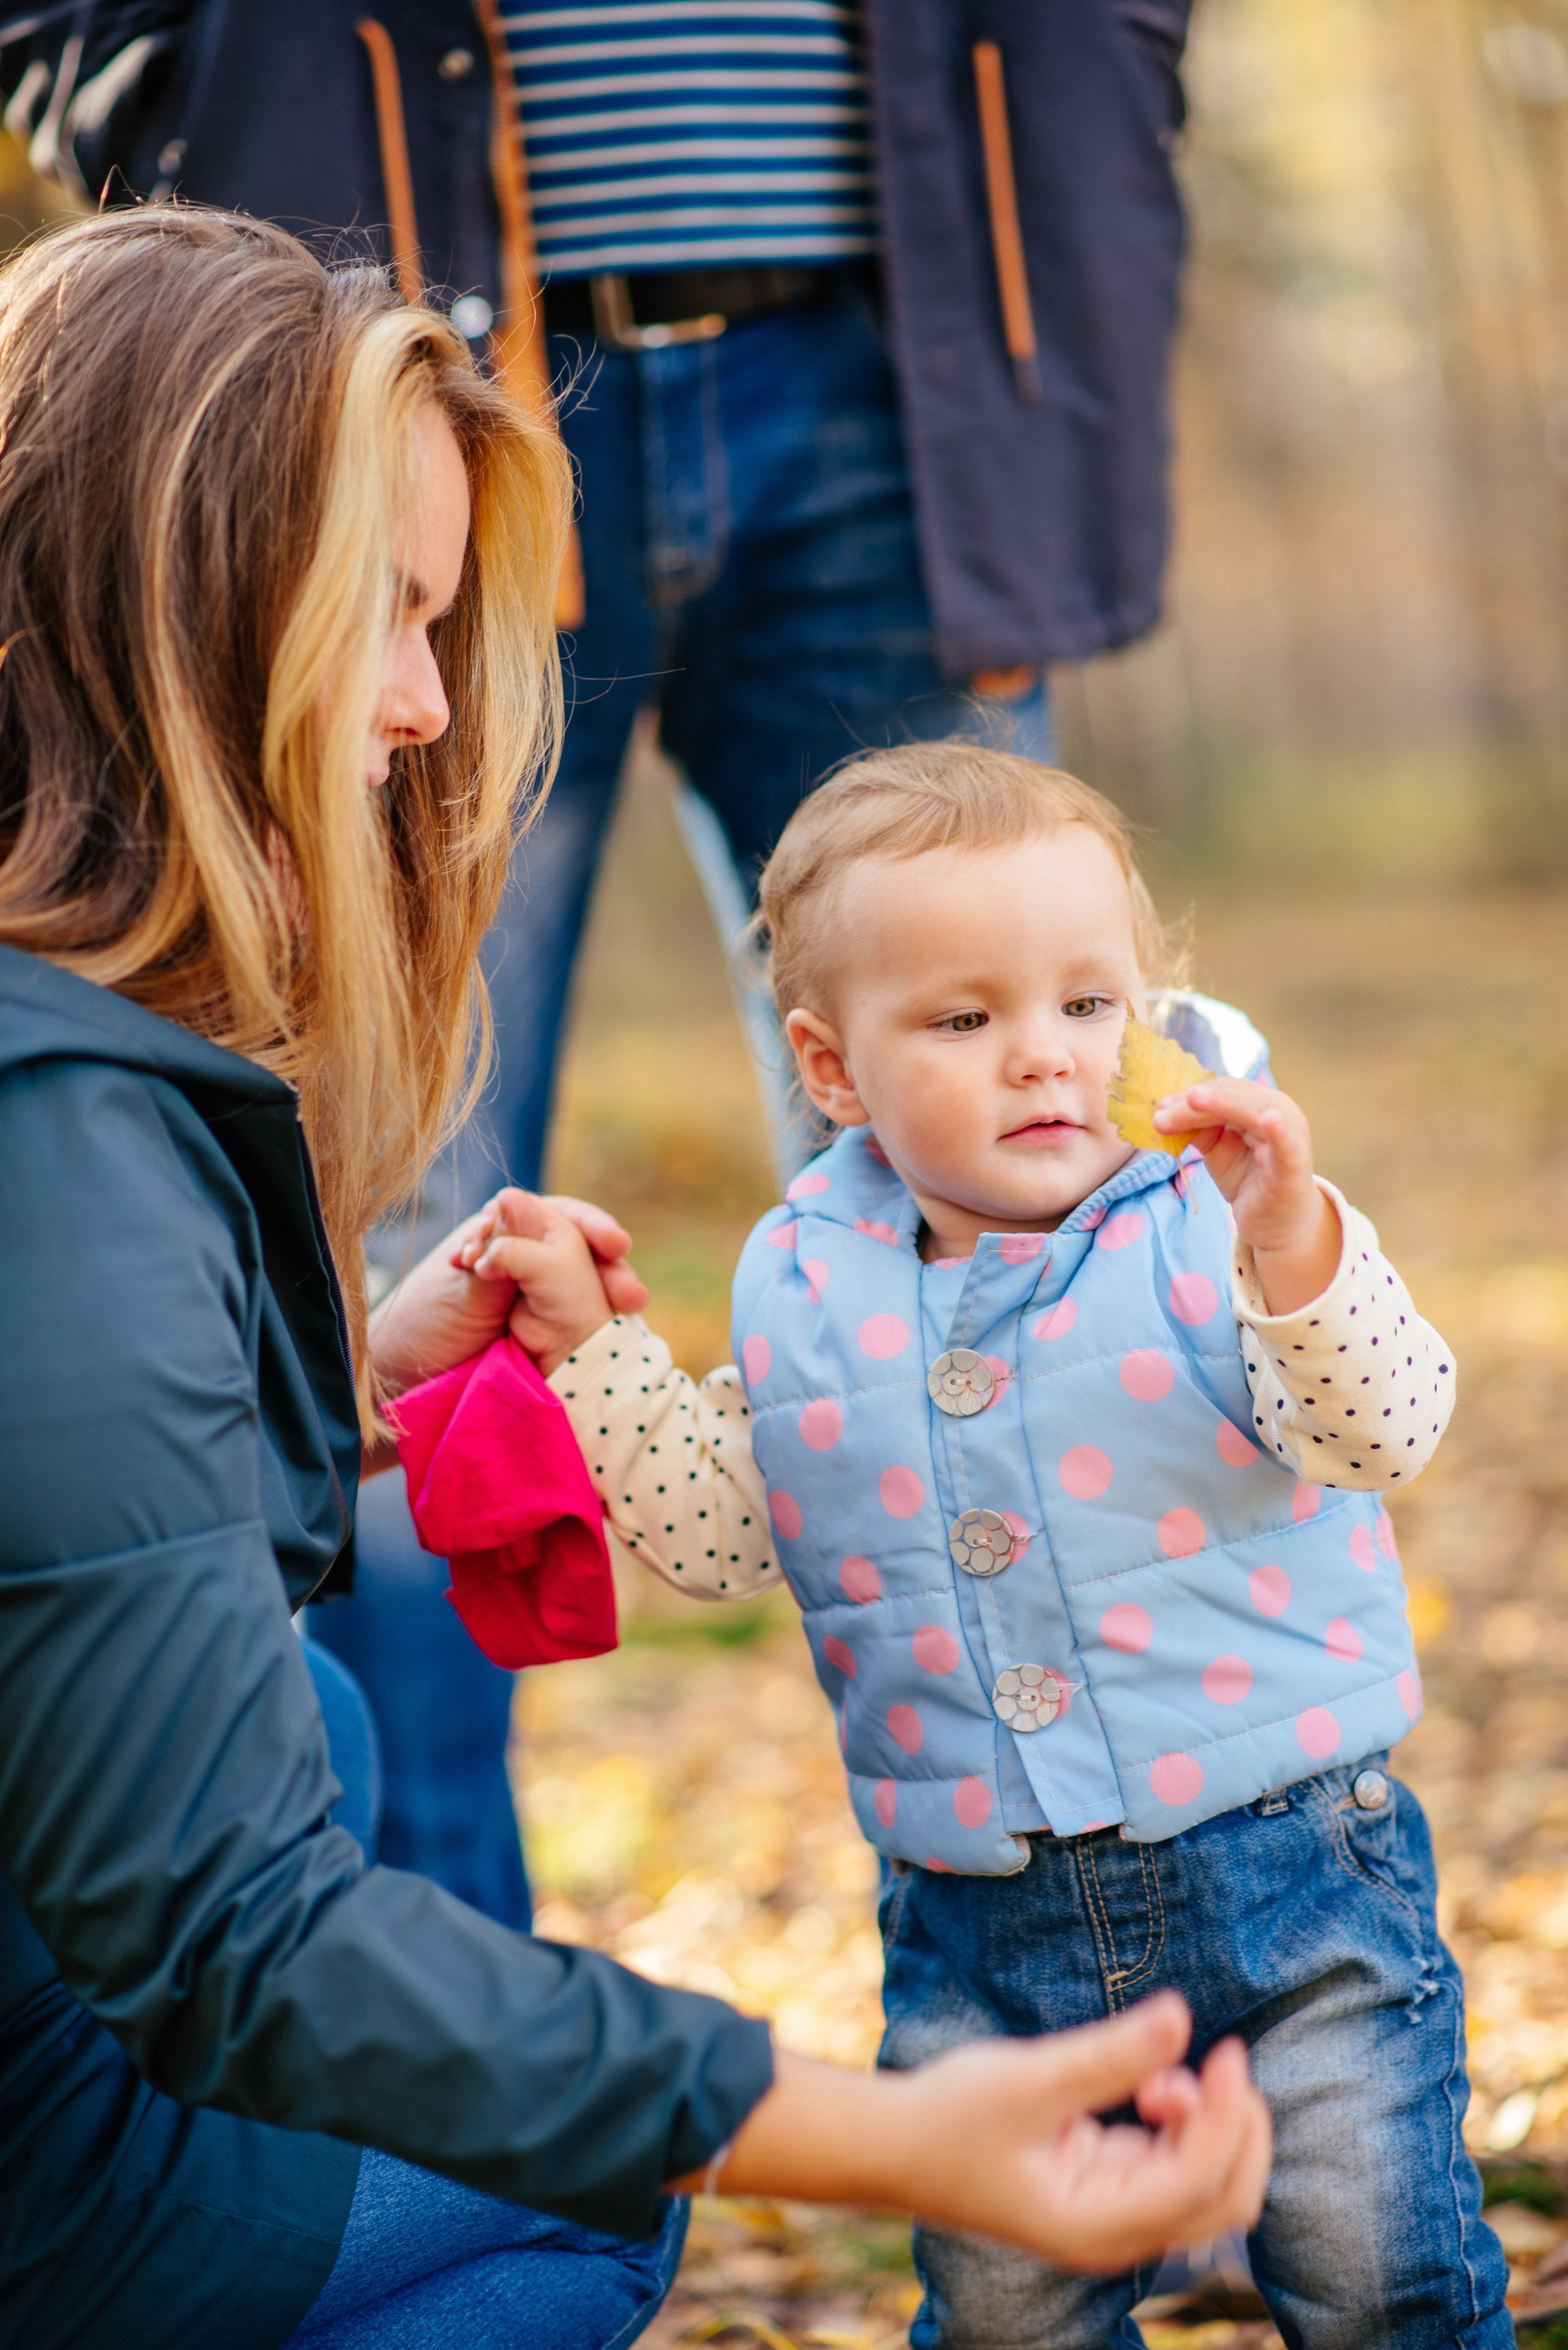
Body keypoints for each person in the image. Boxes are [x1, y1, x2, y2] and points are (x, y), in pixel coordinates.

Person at [0, 208, 1271, 2350]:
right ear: (167, 610)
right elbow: (241, 1935)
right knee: (591, 2209)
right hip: (68, 2173)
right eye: (377, 618)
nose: (419, 708)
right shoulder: (63, 1145)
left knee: (304, 1697)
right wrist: (872, 2134)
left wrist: (342, 1386)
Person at [0, 0, 1195, 1922]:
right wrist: (191, 90)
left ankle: (1102, 1927)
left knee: (1033, 1207)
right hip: (414, 327)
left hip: (911, 348)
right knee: (404, 1232)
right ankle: (383, 1958)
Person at [456, 744, 1508, 2349]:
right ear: (830, 1064)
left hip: (1297, 1874)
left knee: (1381, 2274)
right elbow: (729, 1528)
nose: (1044, 1059)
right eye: (965, 1019)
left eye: (1088, 1006)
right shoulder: (808, 1282)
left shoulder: (1209, 1216)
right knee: (1011, 2313)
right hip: (983, 1925)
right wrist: (595, 1346)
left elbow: (1381, 1428)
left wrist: (1295, 1238)